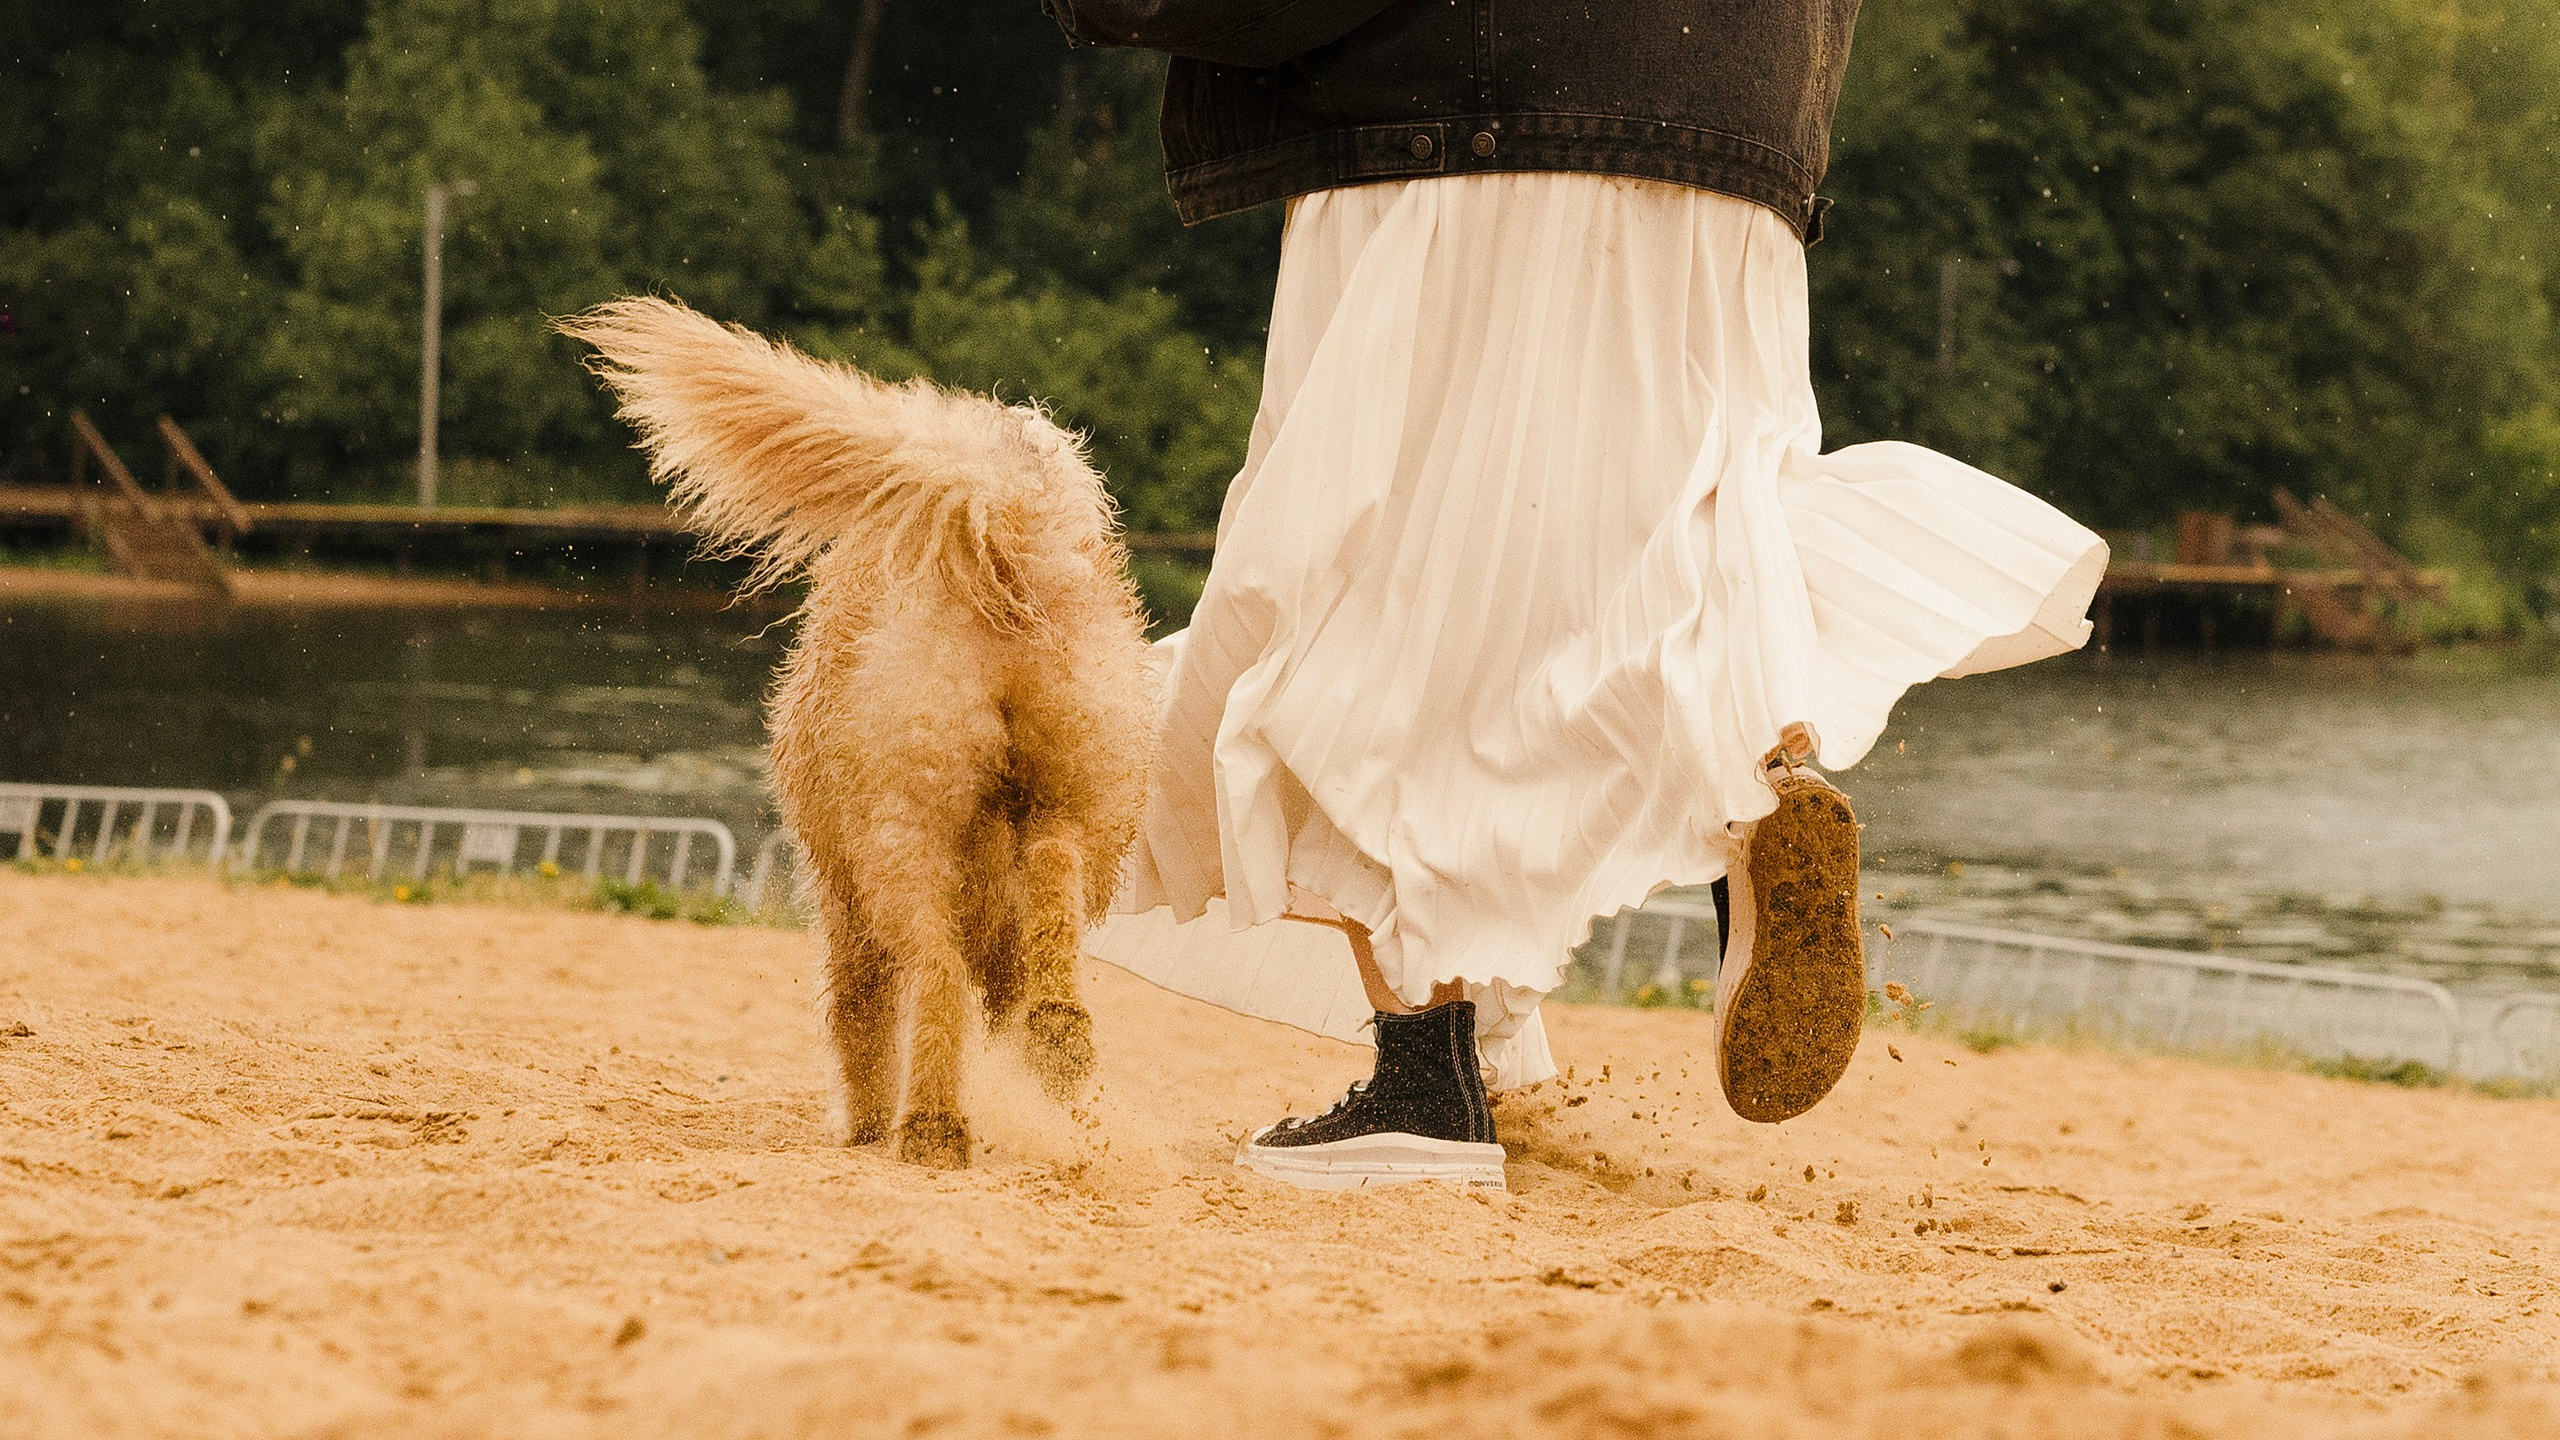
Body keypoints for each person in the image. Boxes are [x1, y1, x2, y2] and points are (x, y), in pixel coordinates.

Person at [1044, 0, 2106, 1190]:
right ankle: (1744, 763)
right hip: (1735, 134)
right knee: (1674, 526)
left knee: (1384, 591)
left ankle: (1423, 1086)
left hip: (1471, 122)